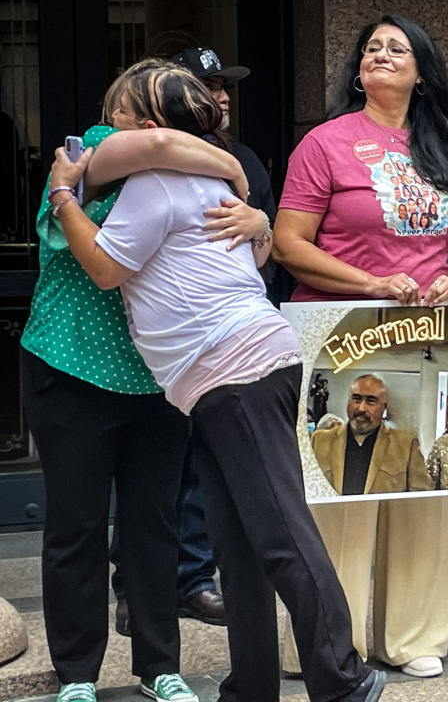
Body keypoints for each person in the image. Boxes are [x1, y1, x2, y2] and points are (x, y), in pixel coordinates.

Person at [47, 60, 384, 702]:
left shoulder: (157, 183)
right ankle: (249, 687)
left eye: (118, 114)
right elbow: (252, 252)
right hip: (230, 373)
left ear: (147, 125)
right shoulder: (210, 179)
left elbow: (104, 268)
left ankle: (342, 679)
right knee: (240, 545)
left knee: (282, 535)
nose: (105, 127)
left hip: (235, 370)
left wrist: (65, 196)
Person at [19, 57, 263, 702]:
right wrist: (233, 165)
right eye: (136, 110)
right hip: (72, 365)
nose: (147, 124)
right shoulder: (93, 149)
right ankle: (76, 675)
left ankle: (160, 665)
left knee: (152, 524)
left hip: (158, 375)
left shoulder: (188, 173)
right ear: (120, 114)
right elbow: (157, 142)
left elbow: (246, 251)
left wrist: (257, 217)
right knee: (74, 527)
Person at [272, 14, 448, 679]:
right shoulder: (325, 143)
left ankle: (414, 635)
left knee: (425, 482)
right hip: (344, 334)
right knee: (341, 488)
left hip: (431, 338)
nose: (382, 55)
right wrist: (370, 282)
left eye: (398, 48)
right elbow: (288, 243)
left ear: (422, 72)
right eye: (372, 48)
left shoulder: (447, 146)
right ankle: (329, 641)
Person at [111, 44, 274, 637]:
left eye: (225, 85)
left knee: (206, 474)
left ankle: (194, 579)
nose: (222, 95)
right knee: (153, 477)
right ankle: (136, 586)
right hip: (160, 346)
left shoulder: (246, 157)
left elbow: (261, 245)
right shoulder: (126, 152)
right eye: (208, 86)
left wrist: (262, 225)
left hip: (227, 340)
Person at [312, 374, 432, 494]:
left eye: (370, 401)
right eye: (356, 399)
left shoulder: (406, 446)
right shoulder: (319, 441)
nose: (361, 408)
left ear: (384, 407)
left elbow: (421, 500)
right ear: (348, 402)